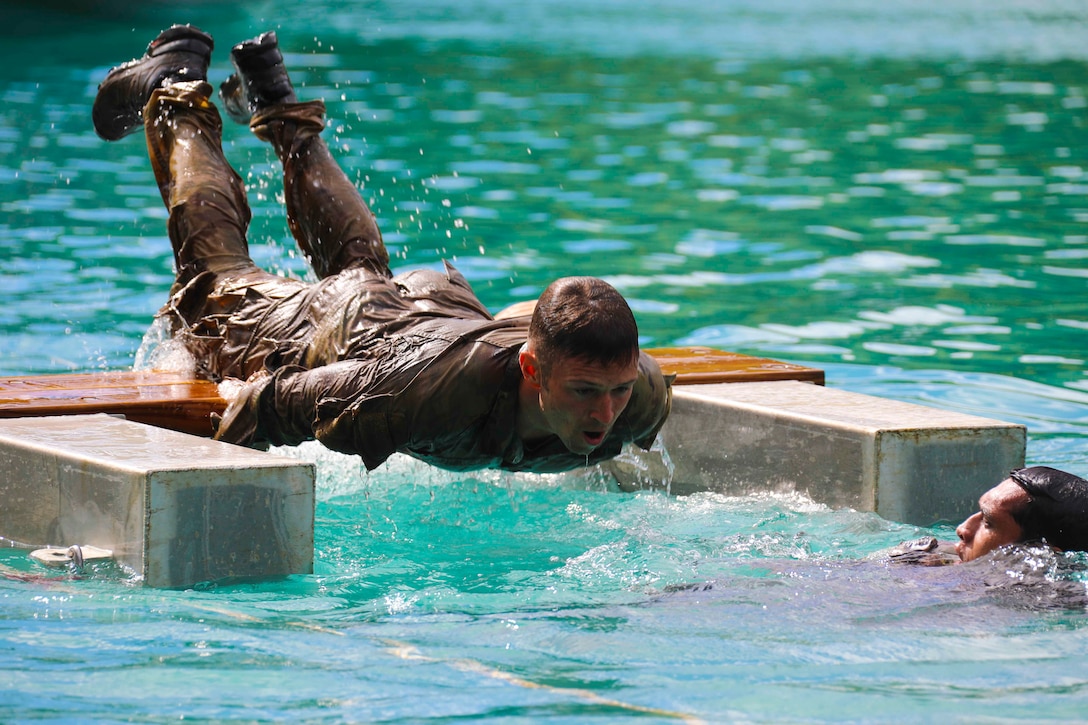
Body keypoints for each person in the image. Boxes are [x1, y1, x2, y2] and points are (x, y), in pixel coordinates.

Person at [92, 25, 672, 473]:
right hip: (369, 335)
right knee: (212, 284)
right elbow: (277, 403)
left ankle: (277, 99)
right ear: (532, 369)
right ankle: (174, 88)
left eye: (616, 390)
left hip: (429, 313)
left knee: (360, 269)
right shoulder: (421, 393)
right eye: (585, 392)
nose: (604, 414)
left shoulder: (642, 397)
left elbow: (526, 321)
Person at [886, 465, 1088, 565]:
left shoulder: (1048, 600)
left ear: (1038, 554)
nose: (962, 529)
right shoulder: (931, 553)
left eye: (988, 522)